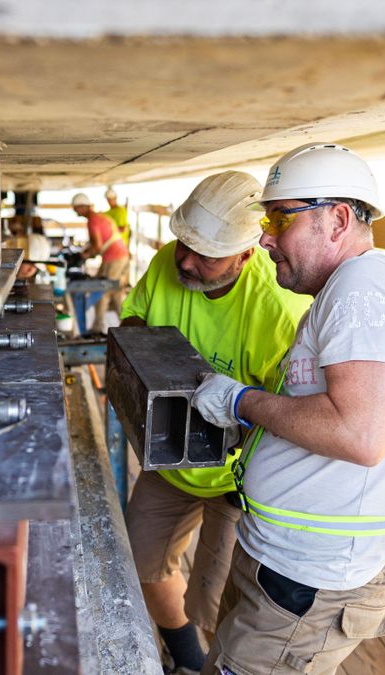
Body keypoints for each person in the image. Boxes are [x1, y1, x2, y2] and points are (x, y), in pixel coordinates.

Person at [190, 143, 385, 675]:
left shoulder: (364, 288)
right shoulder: (348, 292)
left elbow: (359, 434)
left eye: (279, 218)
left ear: (337, 219)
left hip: (305, 584)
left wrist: (244, 401)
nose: (264, 237)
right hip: (286, 567)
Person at [120, 171, 313, 674]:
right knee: (141, 562)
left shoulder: (278, 311)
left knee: (217, 597)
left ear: (247, 254)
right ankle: (187, 657)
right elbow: (134, 323)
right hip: (170, 459)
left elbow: (291, 417)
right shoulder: (170, 262)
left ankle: (204, 655)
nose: (185, 261)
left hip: (239, 476)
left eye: (205, 255)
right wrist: (160, 362)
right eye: (182, 244)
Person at [72, 192, 129, 335]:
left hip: (114, 258)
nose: (74, 211)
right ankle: (128, 325)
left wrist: (84, 255)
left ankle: (97, 327)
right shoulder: (98, 217)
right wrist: (86, 251)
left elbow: (97, 247)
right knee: (114, 292)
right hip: (118, 256)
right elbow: (97, 243)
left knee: (101, 290)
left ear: (82, 207)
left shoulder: (92, 221)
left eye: (75, 208)